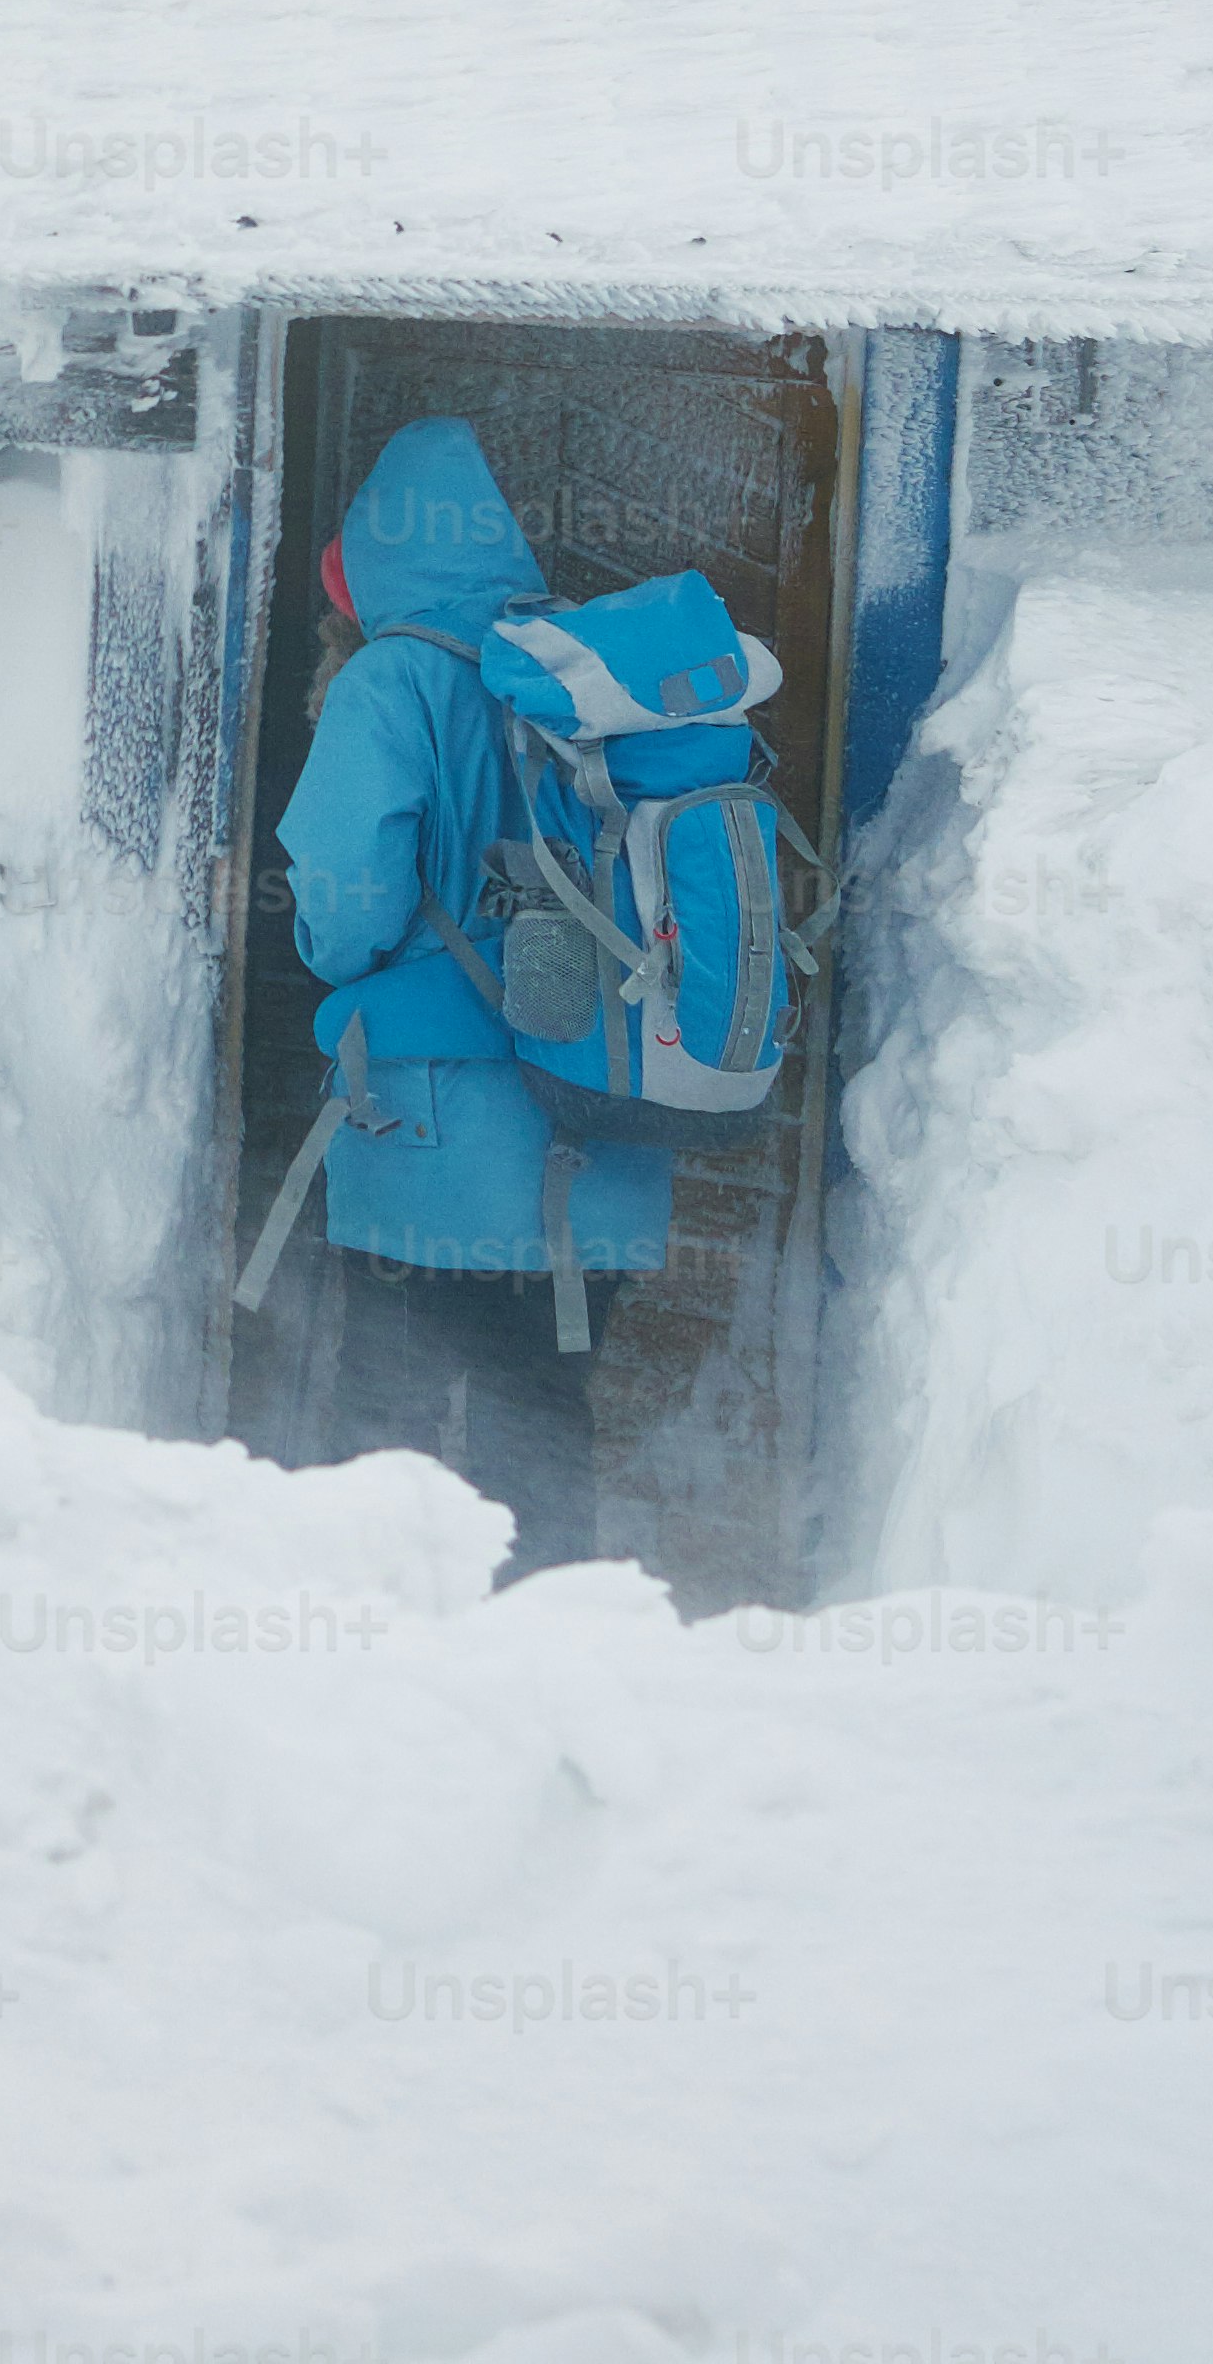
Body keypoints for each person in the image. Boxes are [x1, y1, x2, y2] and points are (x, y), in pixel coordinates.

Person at [263, 416, 675, 1566]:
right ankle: (544, 1673)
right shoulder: (585, 676)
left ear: (367, 569)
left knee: (382, 1440)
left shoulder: (389, 679)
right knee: (540, 1436)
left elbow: (346, 911)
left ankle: (371, 1670)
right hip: (601, 1128)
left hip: (433, 1144)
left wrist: (329, 953)